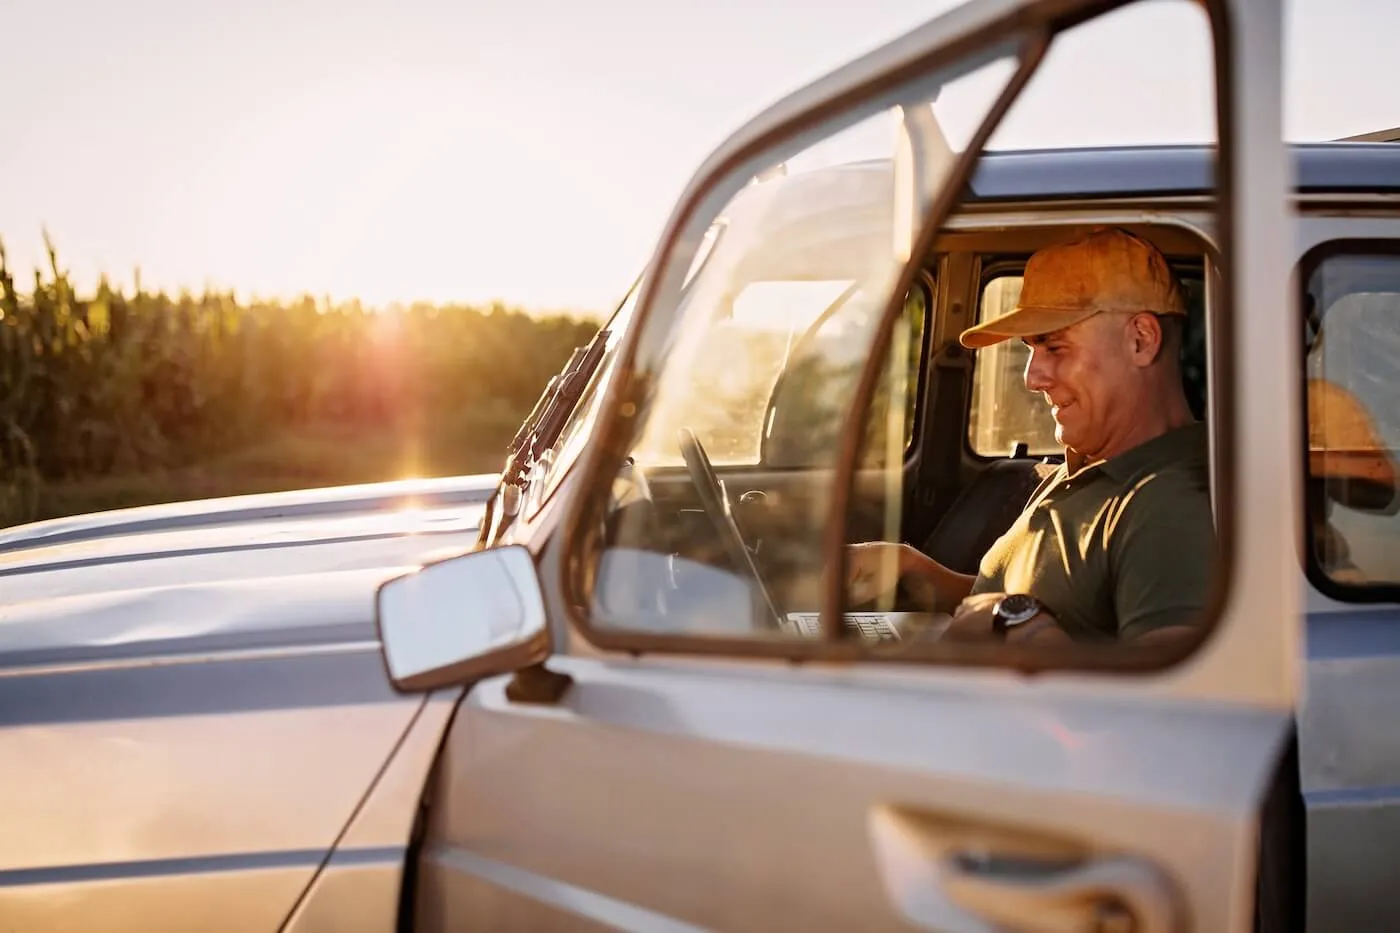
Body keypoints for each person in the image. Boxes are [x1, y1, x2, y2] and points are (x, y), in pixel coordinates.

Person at [847, 226, 1215, 644]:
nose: (1032, 377)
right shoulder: (1087, 464)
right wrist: (914, 569)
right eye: (1030, 350)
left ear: (1140, 340)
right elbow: (1035, 602)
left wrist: (1013, 619)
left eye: (1055, 348)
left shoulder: (1171, 503)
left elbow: (1164, 703)